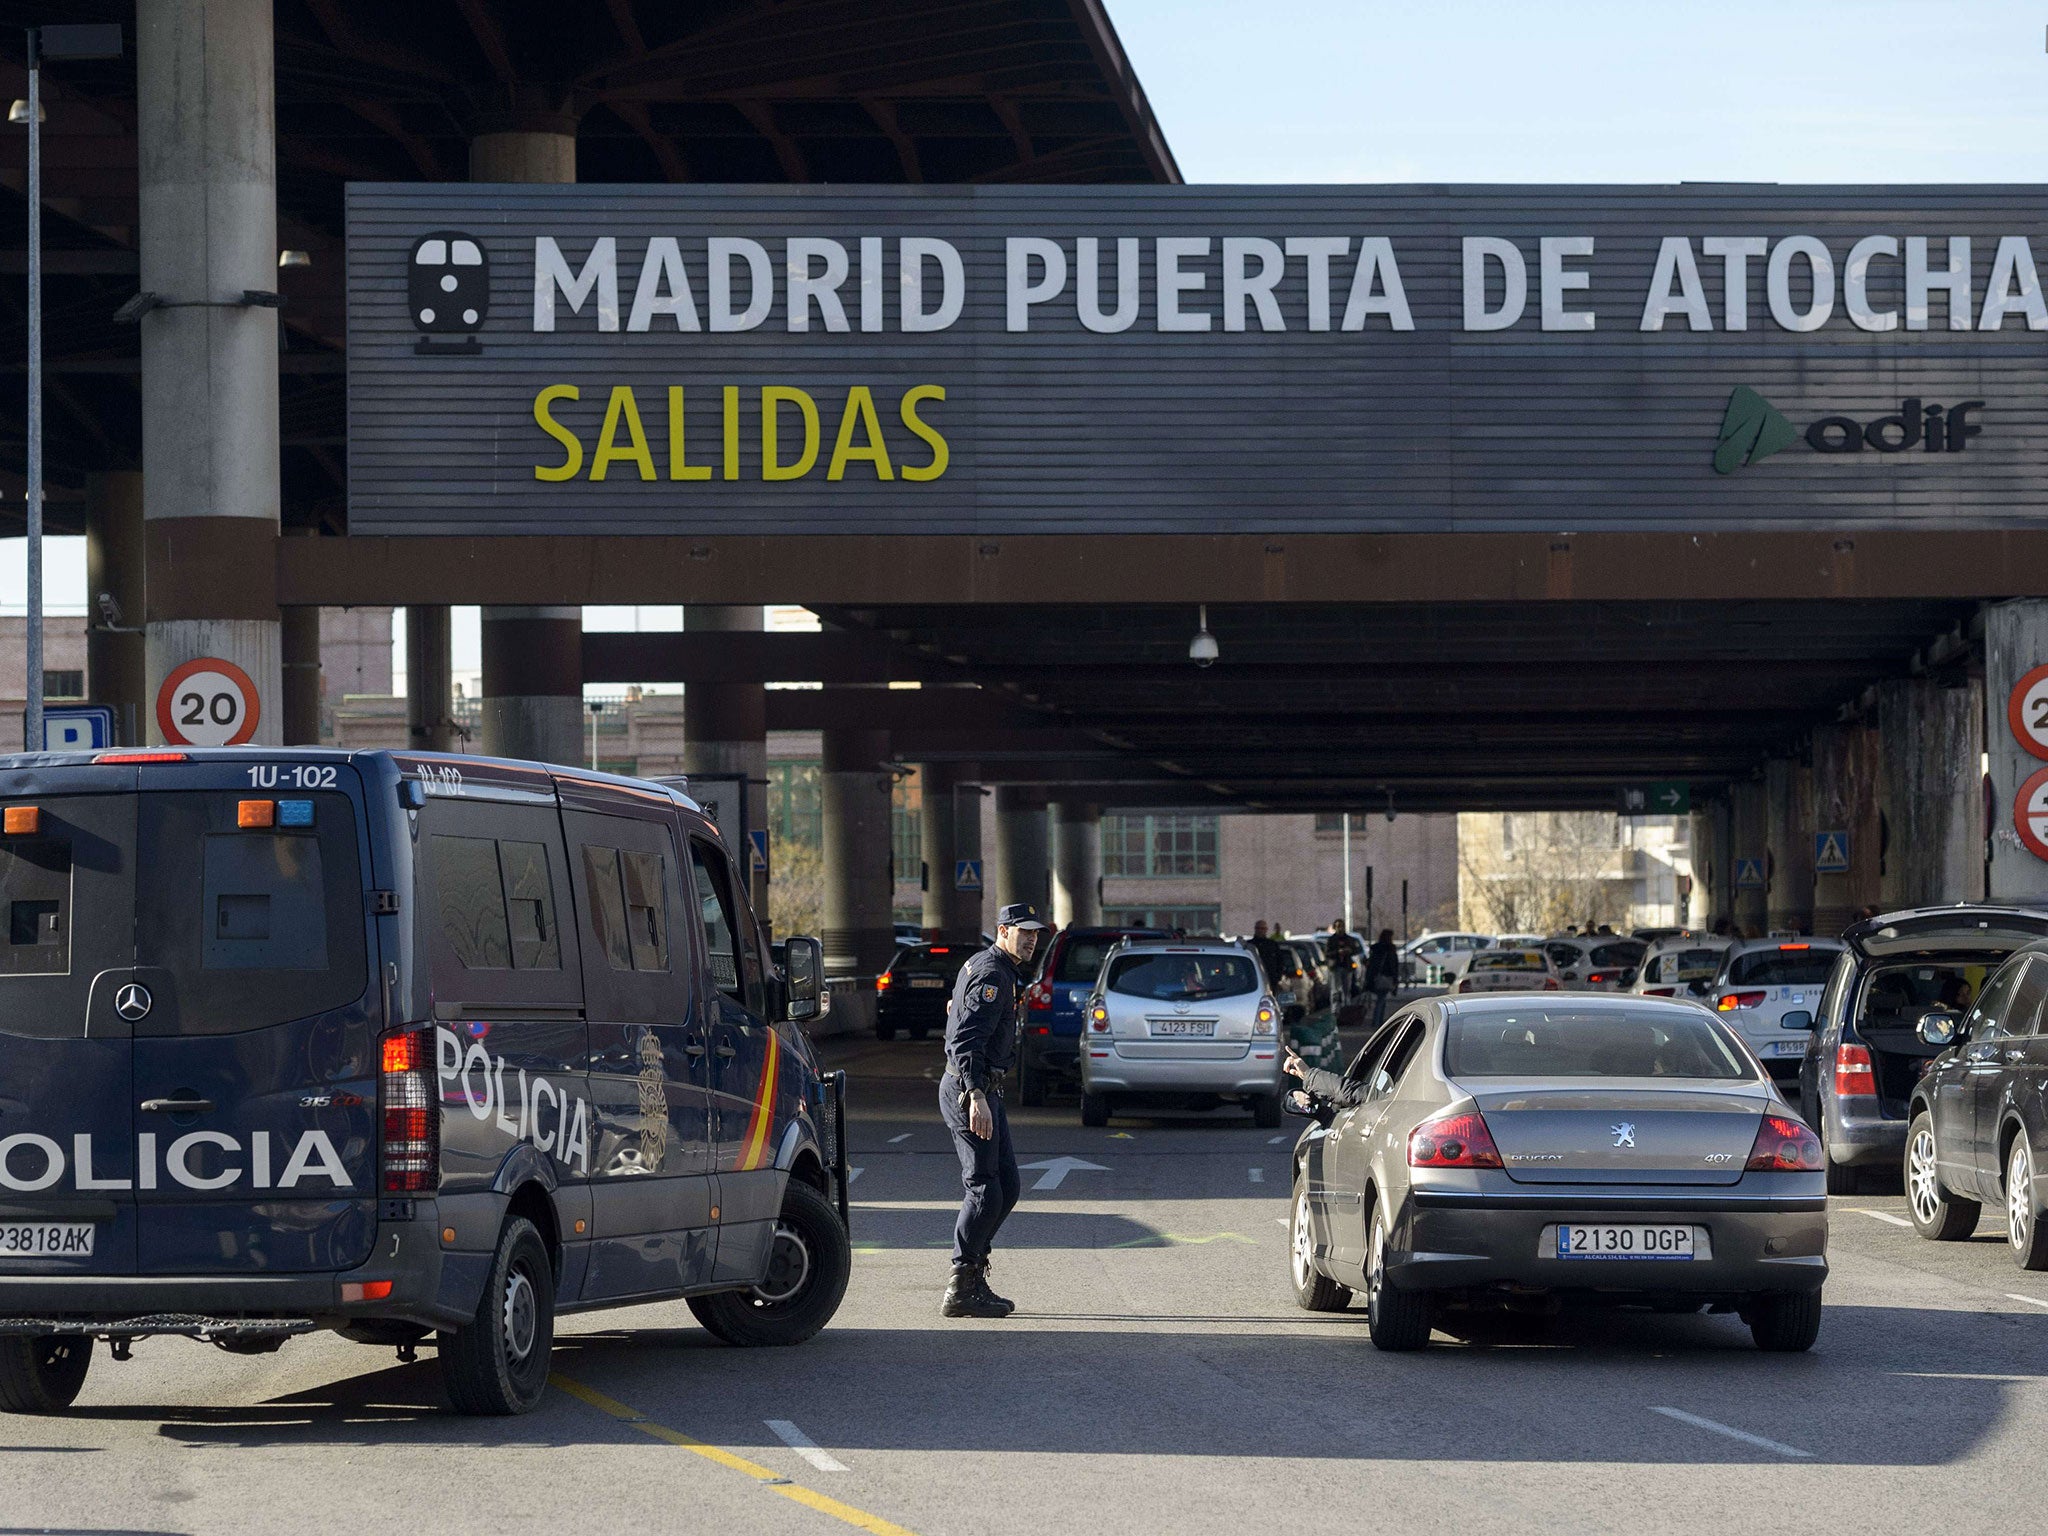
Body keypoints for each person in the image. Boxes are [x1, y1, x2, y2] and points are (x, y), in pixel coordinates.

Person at [938, 901, 1048, 1320]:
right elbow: (965, 1041)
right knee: (985, 1188)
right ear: (1003, 930)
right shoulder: (991, 974)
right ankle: (961, 1284)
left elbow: (957, 1015)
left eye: (1036, 933)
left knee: (1008, 1186)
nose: (1032, 939)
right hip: (972, 1091)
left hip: (985, 1088)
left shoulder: (995, 968)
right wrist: (975, 1095)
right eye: (1024, 931)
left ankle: (973, 1274)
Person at [1363, 927, 1401, 1028]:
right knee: (1381, 1000)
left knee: (1381, 999)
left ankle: (1377, 1021)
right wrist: (1395, 979)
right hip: (1386, 977)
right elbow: (1394, 965)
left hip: (1377, 977)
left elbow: (1371, 964)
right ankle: (1377, 1022)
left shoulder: (1376, 949)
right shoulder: (1390, 949)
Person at [1325, 920, 1362, 1006]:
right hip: (1335, 967)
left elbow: (1356, 950)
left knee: (1346, 989)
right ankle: (1335, 1009)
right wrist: (1338, 952)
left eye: (1342, 926)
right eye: (1338, 927)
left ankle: (1346, 1007)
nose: (1340, 929)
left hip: (1347, 966)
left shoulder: (1349, 939)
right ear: (1335, 928)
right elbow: (1327, 953)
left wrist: (1349, 950)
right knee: (1335, 990)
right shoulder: (1331, 940)